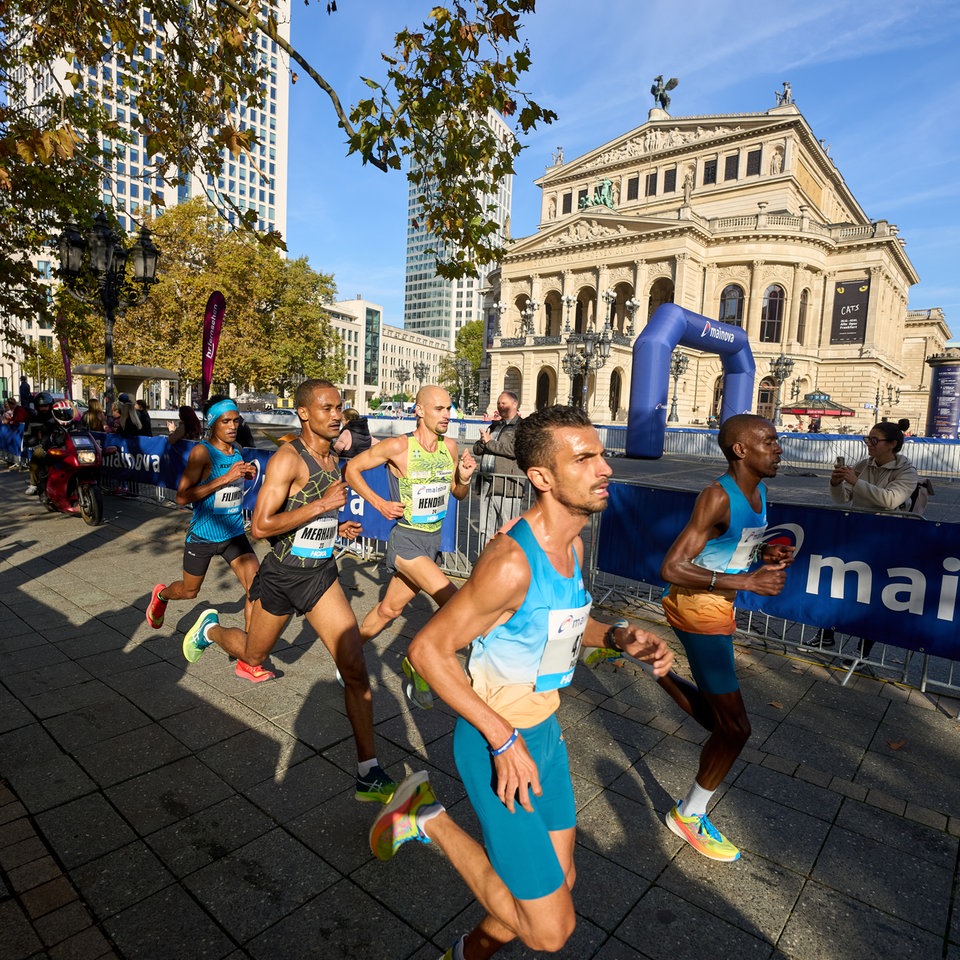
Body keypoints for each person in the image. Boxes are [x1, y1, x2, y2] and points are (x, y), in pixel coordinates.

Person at [368, 405, 674, 959]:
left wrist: (619, 636)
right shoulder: (512, 562)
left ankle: (466, 954)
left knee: (560, 883)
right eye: (584, 459)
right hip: (497, 746)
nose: (604, 468)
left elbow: (563, 627)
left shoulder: (573, 546)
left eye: (601, 453)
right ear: (541, 478)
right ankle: (424, 816)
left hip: (545, 738)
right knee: (550, 930)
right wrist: (503, 738)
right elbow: (428, 650)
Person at [181, 380, 396, 803]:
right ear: (303, 413)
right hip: (280, 578)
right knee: (253, 656)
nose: (337, 414)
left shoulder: (333, 456)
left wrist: (337, 530)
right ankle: (209, 631)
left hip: (319, 577)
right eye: (327, 407)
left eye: (340, 407)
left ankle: (368, 771)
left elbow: (312, 523)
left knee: (354, 668)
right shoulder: (286, 459)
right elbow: (260, 527)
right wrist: (321, 508)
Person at [657, 414, 792, 862]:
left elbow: (733, 546)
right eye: (769, 441)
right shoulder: (717, 497)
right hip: (699, 607)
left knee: (723, 723)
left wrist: (764, 553)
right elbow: (672, 567)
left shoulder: (760, 491)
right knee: (735, 728)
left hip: (715, 604)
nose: (778, 448)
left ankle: (652, 666)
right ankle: (688, 815)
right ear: (741, 450)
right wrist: (748, 583)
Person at [344, 385, 477, 709]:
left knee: (390, 609)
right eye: (439, 409)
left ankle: (346, 658)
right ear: (419, 410)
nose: (447, 415)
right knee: (454, 602)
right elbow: (351, 469)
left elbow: (457, 494)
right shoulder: (398, 446)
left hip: (431, 542)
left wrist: (465, 477)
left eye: (449, 409)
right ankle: (419, 662)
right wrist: (378, 503)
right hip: (406, 540)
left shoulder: (451, 446)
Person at [146, 395, 260, 635]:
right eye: (225, 421)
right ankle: (161, 595)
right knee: (189, 591)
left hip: (233, 534)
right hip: (203, 536)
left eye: (236, 421)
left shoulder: (237, 451)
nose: (232, 427)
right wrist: (225, 479)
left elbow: (231, 483)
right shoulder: (202, 452)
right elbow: (181, 497)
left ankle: (250, 654)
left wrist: (243, 475)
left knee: (257, 589)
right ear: (212, 423)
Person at [472, 390, 525, 548]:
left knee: (509, 529)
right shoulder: (495, 425)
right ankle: (484, 561)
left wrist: (489, 443)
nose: (500, 407)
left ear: (514, 404)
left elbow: (514, 450)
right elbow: (477, 449)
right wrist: (483, 443)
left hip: (508, 487)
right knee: (485, 528)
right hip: (487, 484)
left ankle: (508, 563)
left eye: (504, 403)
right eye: (498, 403)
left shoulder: (522, 427)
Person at [829, 422, 919, 513]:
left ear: (892, 444)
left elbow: (891, 500)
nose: (869, 444)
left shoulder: (907, 472)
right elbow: (841, 499)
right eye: (868, 439)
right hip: (858, 521)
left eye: (874, 440)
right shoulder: (861, 466)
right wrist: (836, 484)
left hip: (889, 524)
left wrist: (856, 482)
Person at [23, 391, 54, 494]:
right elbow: (27, 437)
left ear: (50, 405)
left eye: (46, 406)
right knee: (36, 457)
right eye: (41, 406)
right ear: (37, 407)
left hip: (60, 445)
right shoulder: (32, 420)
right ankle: (33, 484)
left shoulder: (57, 416)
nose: (44, 408)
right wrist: (36, 442)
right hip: (43, 447)